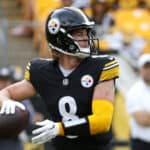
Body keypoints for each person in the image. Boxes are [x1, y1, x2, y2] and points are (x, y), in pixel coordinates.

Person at [0, 7, 119, 150]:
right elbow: (5, 93)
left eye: (86, 32)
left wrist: (59, 128)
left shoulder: (101, 67)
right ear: (60, 38)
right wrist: (5, 101)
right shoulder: (41, 71)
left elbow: (102, 121)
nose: (86, 38)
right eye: (79, 33)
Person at [126, 54, 150, 150]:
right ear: (140, 69)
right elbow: (142, 120)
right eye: (146, 67)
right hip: (142, 145)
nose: (149, 70)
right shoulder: (134, 91)